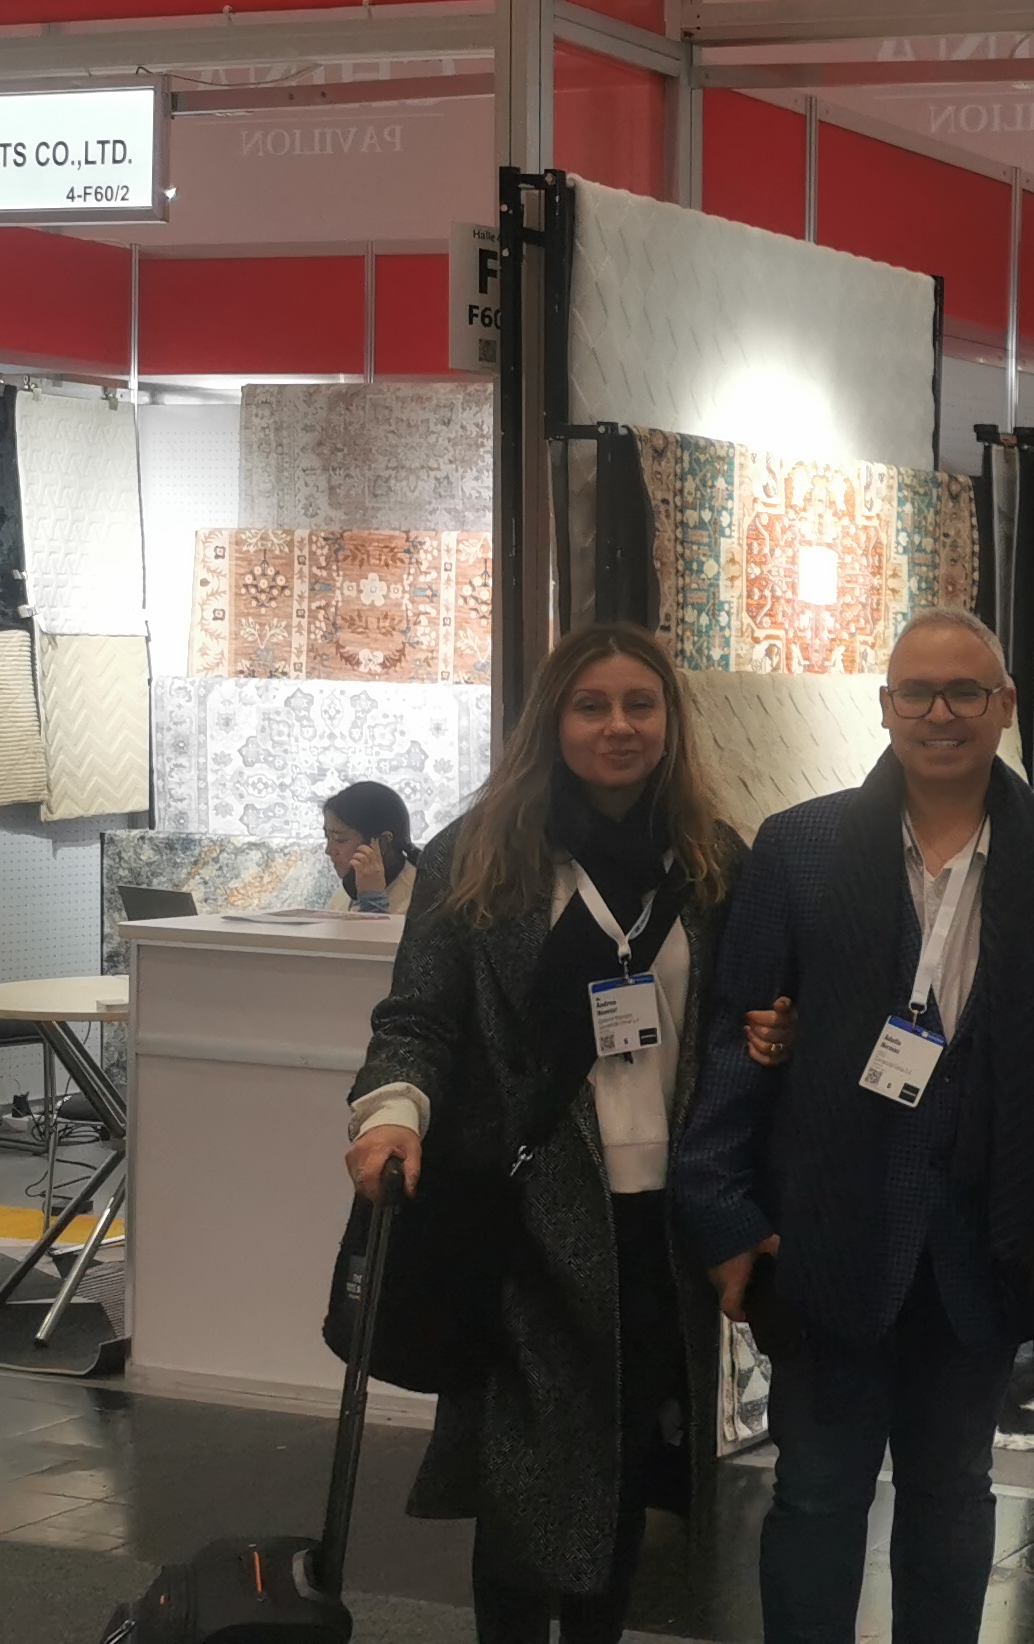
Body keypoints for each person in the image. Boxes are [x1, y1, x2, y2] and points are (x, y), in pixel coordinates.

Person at [674, 608, 1034, 1644]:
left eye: (966, 692)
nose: (940, 713)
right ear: (886, 706)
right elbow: (736, 1035)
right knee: (817, 1493)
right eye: (917, 693)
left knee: (954, 1491)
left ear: (1004, 705)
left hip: (983, 1239)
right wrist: (725, 1215)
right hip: (828, 1231)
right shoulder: (801, 846)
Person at [339, 622, 745, 1644]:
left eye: (640, 705)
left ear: (669, 722)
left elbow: (738, 1020)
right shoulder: (478, 857)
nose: (618, 727)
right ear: (552, 722)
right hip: (526, 1213)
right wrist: (392, 1112)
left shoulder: (710, 861)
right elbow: (419, 1017)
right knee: (523, 1474)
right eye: (591, 706)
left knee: (626, 1467)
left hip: (664, 1222)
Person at [323, 779, 421, 915]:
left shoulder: (421, 898)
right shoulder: (347, 891)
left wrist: (373, 903)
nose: (329, 850)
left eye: (340, 839)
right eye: (327, 837)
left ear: (383, 843)